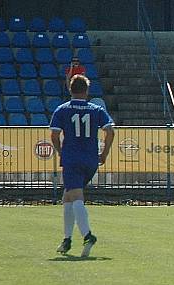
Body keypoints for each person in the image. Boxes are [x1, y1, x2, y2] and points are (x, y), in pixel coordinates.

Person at [50, 75, 115, 257]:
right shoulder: (96, 109)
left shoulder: (62, 110)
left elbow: (54, 136)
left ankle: (87, 235)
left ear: (70, 90)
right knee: (68, 196)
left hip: (72, 159)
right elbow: (110, 132)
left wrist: (61, 151)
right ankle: (67, 239)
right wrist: (105, 153)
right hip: (91, 160)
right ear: (86, 91)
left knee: (75, 195)